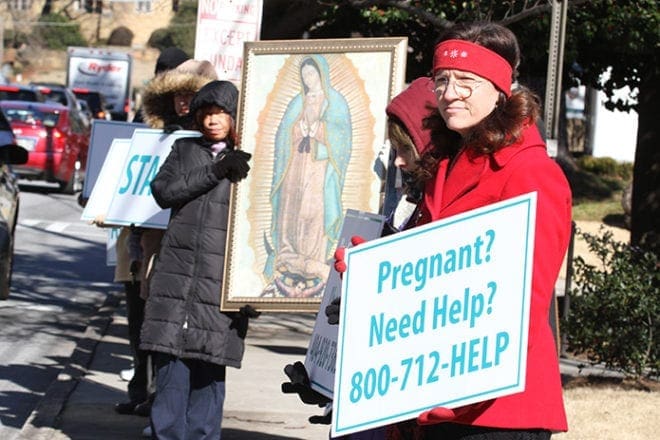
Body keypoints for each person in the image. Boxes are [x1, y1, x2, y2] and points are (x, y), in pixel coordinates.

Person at [412, 22, 572, 438]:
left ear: (501, 90)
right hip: (434, 393)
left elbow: (527, 301)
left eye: (466, 81)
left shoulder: (532, 172)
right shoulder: (443, 164)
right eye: (441, 80)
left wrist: (467, 391)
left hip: (498, 409)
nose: (449, 93)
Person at [282, 76, 444, 440]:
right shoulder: (410, 201)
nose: (399, 161)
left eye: (406, 149)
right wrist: (326, 384)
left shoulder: (441, 205)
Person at [139, 79, 258, 440]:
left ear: (235, 116)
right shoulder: (184, 150)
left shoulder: (253, 157)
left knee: (208, 382)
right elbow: (164, 191)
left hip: (219, 287)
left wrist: (256, 289)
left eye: (220, 112)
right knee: (170, 376)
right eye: (205, 112)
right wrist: (216, 170)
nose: (212, 120)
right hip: (175, 283)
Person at [113, 58, 216, 421]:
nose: (183, 102)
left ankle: (165, 404)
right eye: (176, 96)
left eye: (190, 94)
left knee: (175, 331)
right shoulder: (154, 138)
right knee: (145, 321)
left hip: (191, 248)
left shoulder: (207, 144)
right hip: (151, 244)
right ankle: (149, 395)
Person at [263, 55, 352, 298]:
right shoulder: (297, 102)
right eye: (304, 75)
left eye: (312, 74)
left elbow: (343, 138)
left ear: (321, 74)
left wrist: (320, 131)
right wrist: (296, 130)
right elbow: (283, 134)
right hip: (295, 164)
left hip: (319, 166)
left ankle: (312, 258)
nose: (308, 79)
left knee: (312, 211)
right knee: (291, 208)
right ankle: (288, 252)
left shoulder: (335, 102)